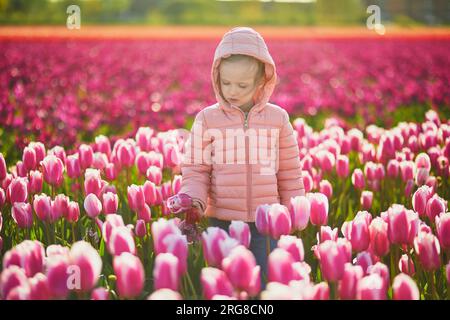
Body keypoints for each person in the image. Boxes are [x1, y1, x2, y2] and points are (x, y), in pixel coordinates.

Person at [177, 27, 305, 282]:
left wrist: (295, 211)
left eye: (242, 85)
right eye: (225, 83)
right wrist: (193, 201)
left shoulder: (277, 119)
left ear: (262, 82)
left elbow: (290, 171)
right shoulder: (207, 119)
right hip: (221, 219)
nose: (232, 91)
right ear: (216, 77)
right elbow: (196, 169)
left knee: (264, 280)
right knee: (226, 283)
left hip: (265, 222)